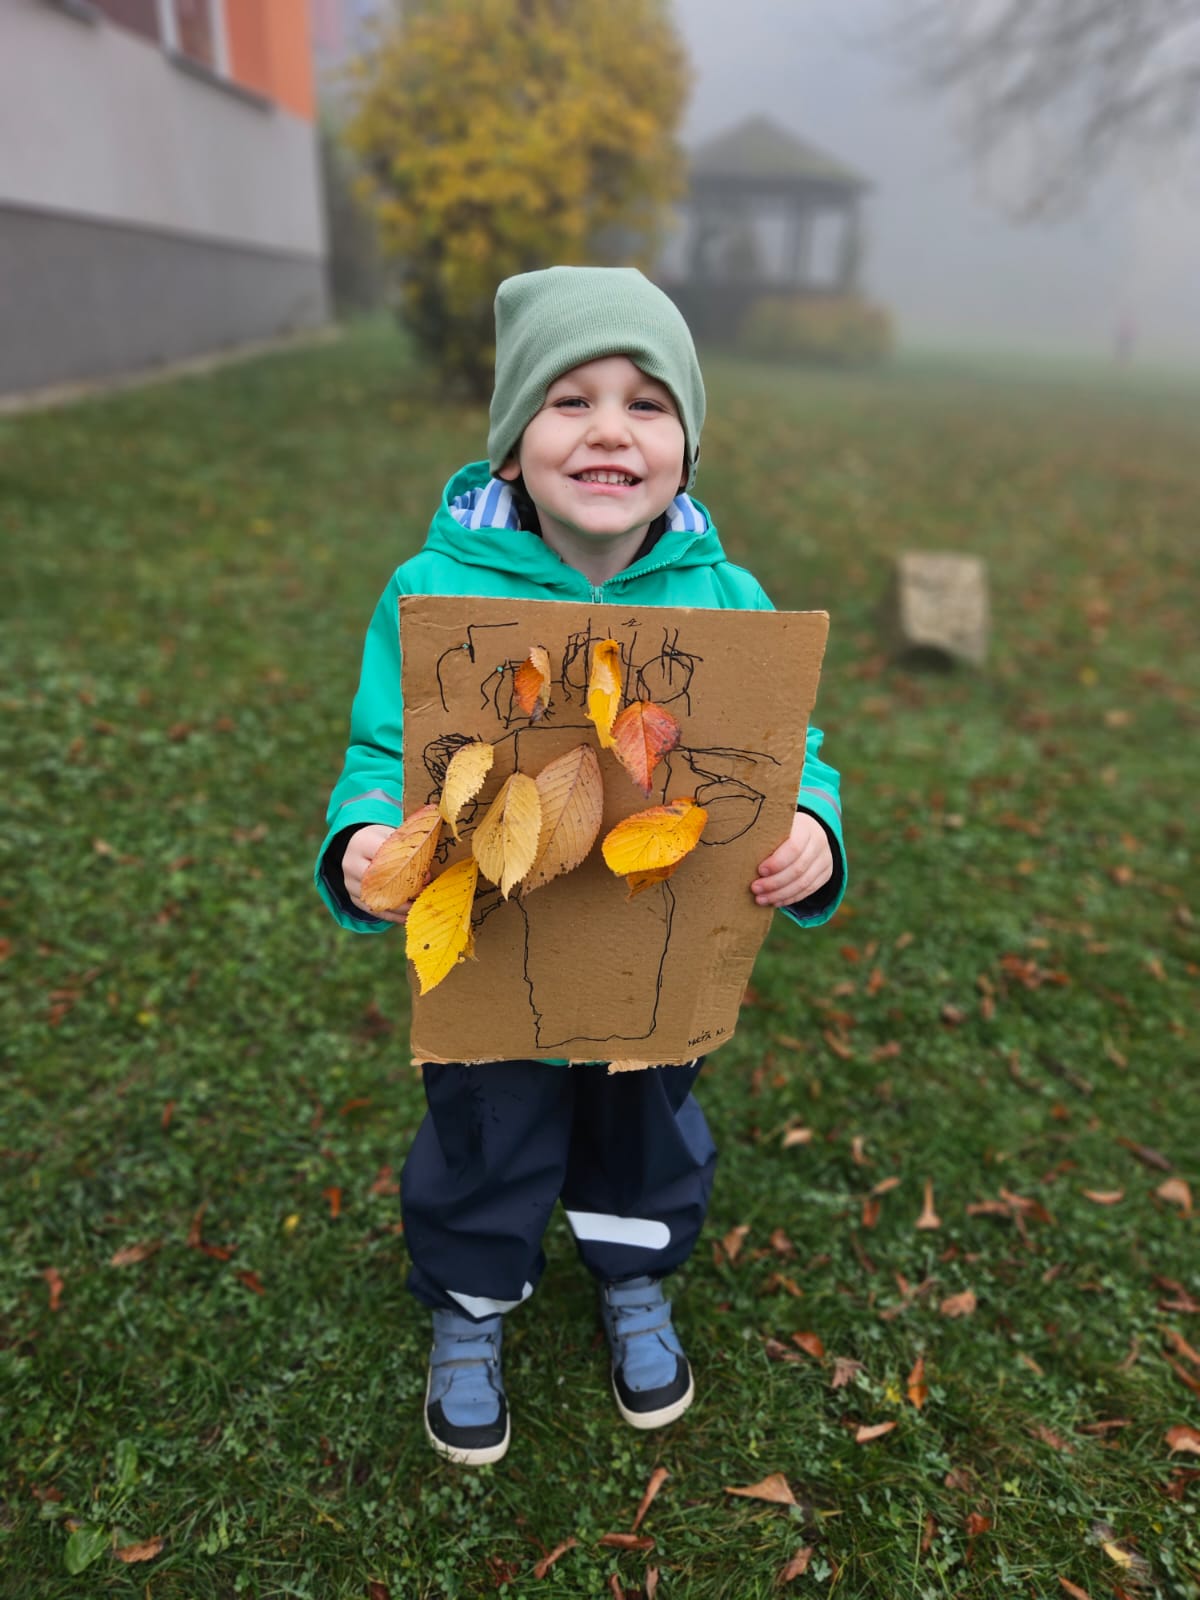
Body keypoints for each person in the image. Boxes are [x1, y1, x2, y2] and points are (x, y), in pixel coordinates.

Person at [314, 266, 846, 1465]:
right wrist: (363, 836)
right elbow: (388, 750)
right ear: (511, 445)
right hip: (495, 944)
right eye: (570, 400)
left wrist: (811, 823)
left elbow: (787, 749)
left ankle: (633, 1269)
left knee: (644, 1131)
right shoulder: (436, 590)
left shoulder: (726, 598)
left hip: (654, 950)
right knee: (484, 1134)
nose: (610, 429)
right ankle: (472, 1298)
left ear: (686, 452)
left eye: (647, 405)